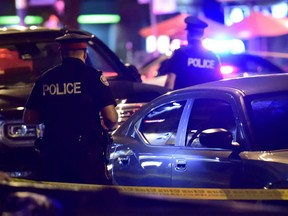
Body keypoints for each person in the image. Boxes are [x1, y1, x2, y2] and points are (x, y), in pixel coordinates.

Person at [23, 32, 118, 184]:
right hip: (87, 153)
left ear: (62, 53)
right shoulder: (93, 77)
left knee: (59, 199)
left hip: (54, 151)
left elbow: (29, 118)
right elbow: (111, 118)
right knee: (89, 199)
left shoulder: (45, 79)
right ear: (84, 53)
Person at [163, 16, 223, 90]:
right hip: (207, 100)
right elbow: (219, 84)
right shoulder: (213, 57)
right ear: (202, 34)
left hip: (184, 100)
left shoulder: (180, 54)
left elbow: (170, 82)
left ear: (188, 33)